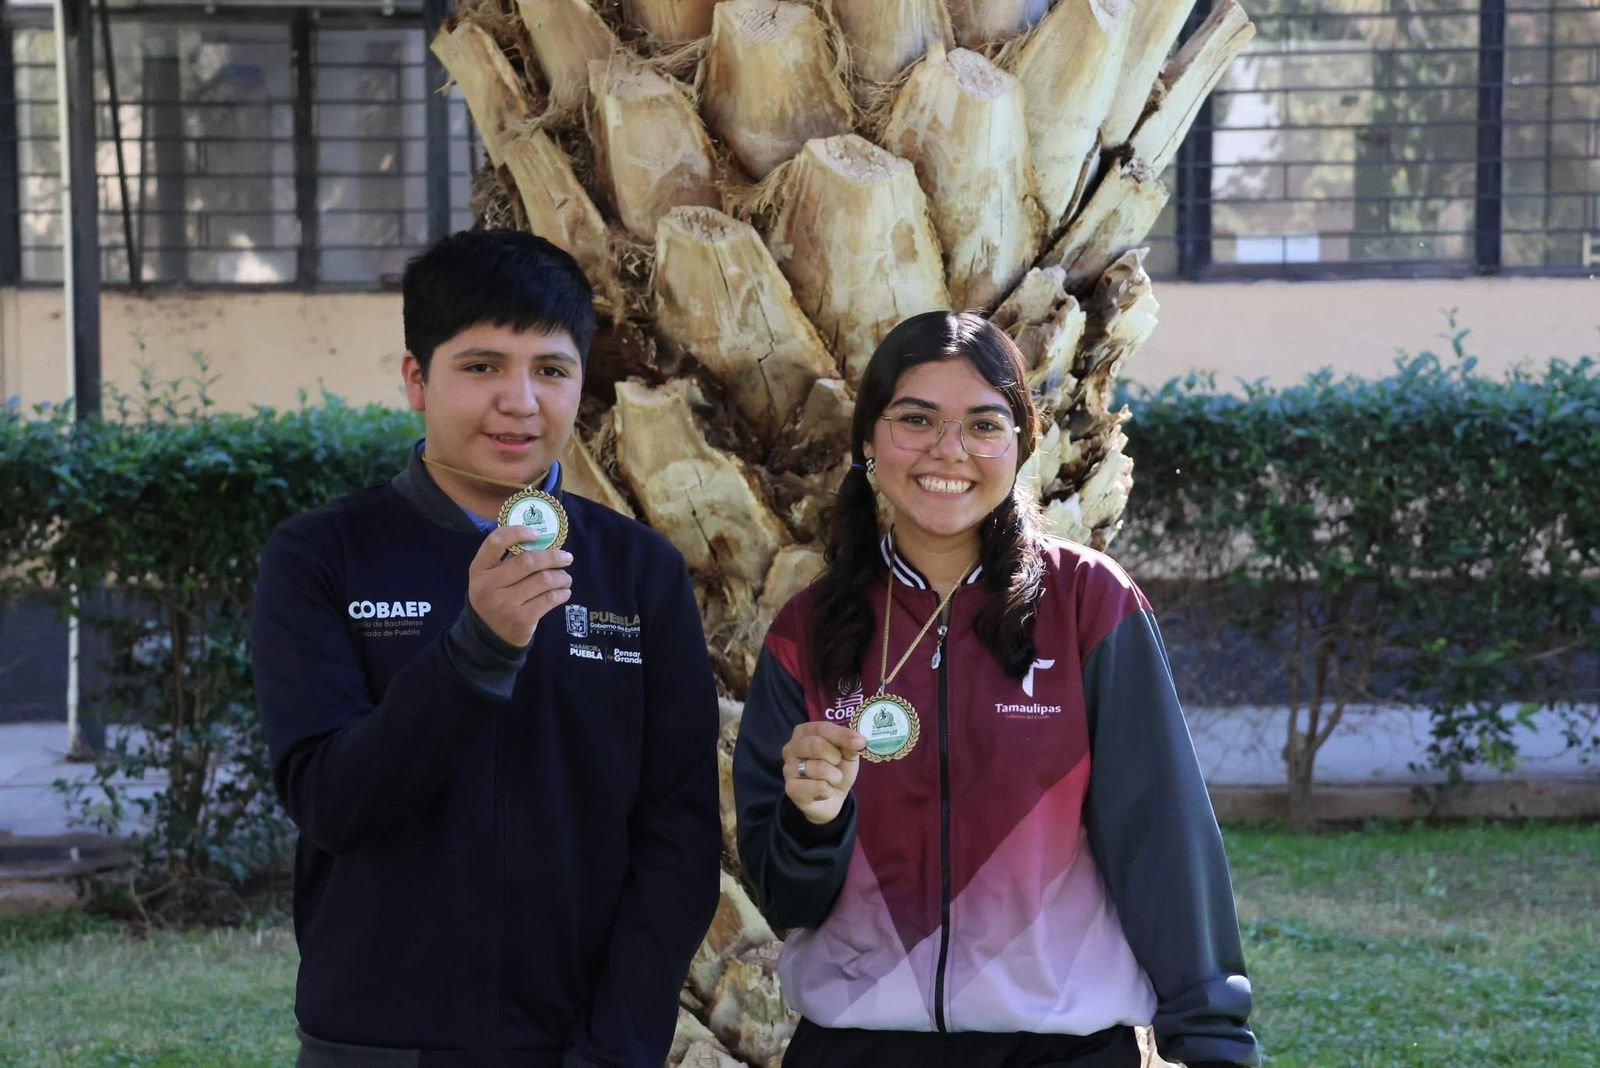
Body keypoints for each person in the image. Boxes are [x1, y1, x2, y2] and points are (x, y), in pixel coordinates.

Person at [733, 311, 1259, 1068]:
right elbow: (784, 899)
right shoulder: (806, 632)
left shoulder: (1089, 606)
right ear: (869, 441)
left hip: (1061, 1053)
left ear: (1019, 445)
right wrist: (814, 822)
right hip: (858, 1051)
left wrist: (1212, 1040)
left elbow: (1162, 837)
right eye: (916, 419)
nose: (949, 450)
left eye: (984, 424)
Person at [252, 230, 720, 1067]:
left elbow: (677, 837)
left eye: (551, 369)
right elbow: (332, 802)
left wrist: (618, 1047)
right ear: (415, 380)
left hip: (579, 1046)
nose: (520, 401)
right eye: (481, 366)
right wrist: (478, 650)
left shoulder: (638, 570)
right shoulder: (322, 556)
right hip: (375, 1043)